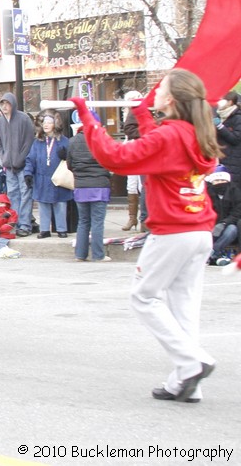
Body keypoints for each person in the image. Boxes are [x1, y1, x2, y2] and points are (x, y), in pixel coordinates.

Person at [70, 68, 220, 403]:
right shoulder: (193, 132)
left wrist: (88, 119)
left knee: (144, 297)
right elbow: (161, 147)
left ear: (171, 99)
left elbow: (116, 157)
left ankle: (192, 362)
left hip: (172, 232)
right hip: (198, 230)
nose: (155, 93)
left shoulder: (171, 136)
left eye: (160, 89)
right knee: (184, 307)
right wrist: (140, 113)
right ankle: (185, 379)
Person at [67, 121, 112, 261]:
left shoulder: (72, 141)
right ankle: (98, 255)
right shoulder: (102, 139)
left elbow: (69, 164)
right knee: (97, 222)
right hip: (100, 185)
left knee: (83, 221)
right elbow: (110, 161)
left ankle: (80, 254)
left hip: (81, 186)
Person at [23, 112, 72, 238]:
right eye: (44, 123)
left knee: (60, 204)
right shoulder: (38, 142)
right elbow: (30, 159)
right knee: (43, 204)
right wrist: (28, 173)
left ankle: (61, 229)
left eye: (49, 123)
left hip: (58, 177)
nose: (46, 125)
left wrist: (65, 155)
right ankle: (44, 230)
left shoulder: (64, 141)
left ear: (55, 125)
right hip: (42, 177)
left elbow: (72, 158)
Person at [0, 93, 35, 236]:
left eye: (7, 103)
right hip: (9, 166)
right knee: (12, 195)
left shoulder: (24, 119)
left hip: (23, 165)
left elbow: (29, 142)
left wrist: (21, 158)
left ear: (13, 104)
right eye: (2, 104)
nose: (5, 106)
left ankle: (25, 225)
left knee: (25, 194)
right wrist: (3, 158)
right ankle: (15, 222)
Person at [205, 166, 241, 266]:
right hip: (210, 224)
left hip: (227, 225)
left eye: (222, 180)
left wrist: (224, 223)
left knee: (232, 229)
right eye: (217, 180)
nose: (220, 182)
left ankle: (211, 253)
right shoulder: (207, 192)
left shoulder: (235, 192)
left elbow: (237, 212)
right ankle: (215, 255)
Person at [121, 91, 144, 231]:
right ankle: (132, 217)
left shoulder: (141, 113)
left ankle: (143, 218)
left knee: (143, 186)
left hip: (140, 151)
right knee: (131, 185)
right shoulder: (126, 114)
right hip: (130, 152)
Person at [215, 91, 241, 192]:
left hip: (233, 160)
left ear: (230, 102)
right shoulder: (220, 116)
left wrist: (220, 127)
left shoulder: (238, 117)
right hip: (221, 158)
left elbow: (235, 139)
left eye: (222, 100)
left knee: (232, 191)